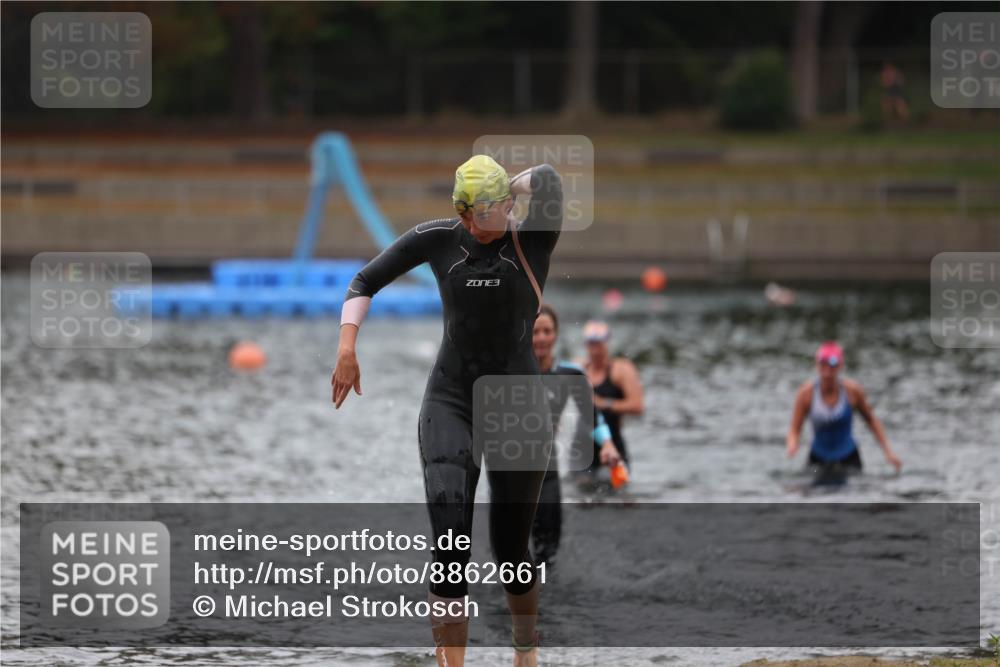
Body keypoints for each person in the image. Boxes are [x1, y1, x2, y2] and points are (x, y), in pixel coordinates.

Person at [331, 155, 562, 667]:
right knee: (450, 542)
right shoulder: (439, 238)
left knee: (511, 553)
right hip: (451, 399)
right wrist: (348, 347)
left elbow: (548, 180)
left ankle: (526, 653)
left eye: (479, 215)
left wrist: (506, 191)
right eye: (462, 215)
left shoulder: (534, 238)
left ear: (505, 205)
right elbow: (363, 281)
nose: (469, 227)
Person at [530, 303, 621, 566]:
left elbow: (593, 416)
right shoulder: (510, 372)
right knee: (507, 557)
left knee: (548, 556)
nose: (542, 338)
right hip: (510, 474)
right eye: (536, 332)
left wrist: (607, 445)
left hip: (547, 472)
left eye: (547, 331)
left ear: (556, 334)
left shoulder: (570, 374)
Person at [786, 341, 902, 473]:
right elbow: (794, 430)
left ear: (840, 366)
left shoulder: (853, 391)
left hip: (849, 457)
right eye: (823, 365)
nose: (827, 372)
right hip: (818, 458)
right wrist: (793, 444)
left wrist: (888, 452)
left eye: (832, 365)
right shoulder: (806, 394)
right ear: (817, 365)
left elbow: (871, 421)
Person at [580, 320, 645, 476]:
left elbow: (638, 406)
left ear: (607, 342)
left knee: (618, 494)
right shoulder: (579, 369)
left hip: (614, 445)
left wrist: (604, 403)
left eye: (598, 343)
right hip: (582, 450)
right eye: (591, 343)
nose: (594, 349)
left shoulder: (621, 369)